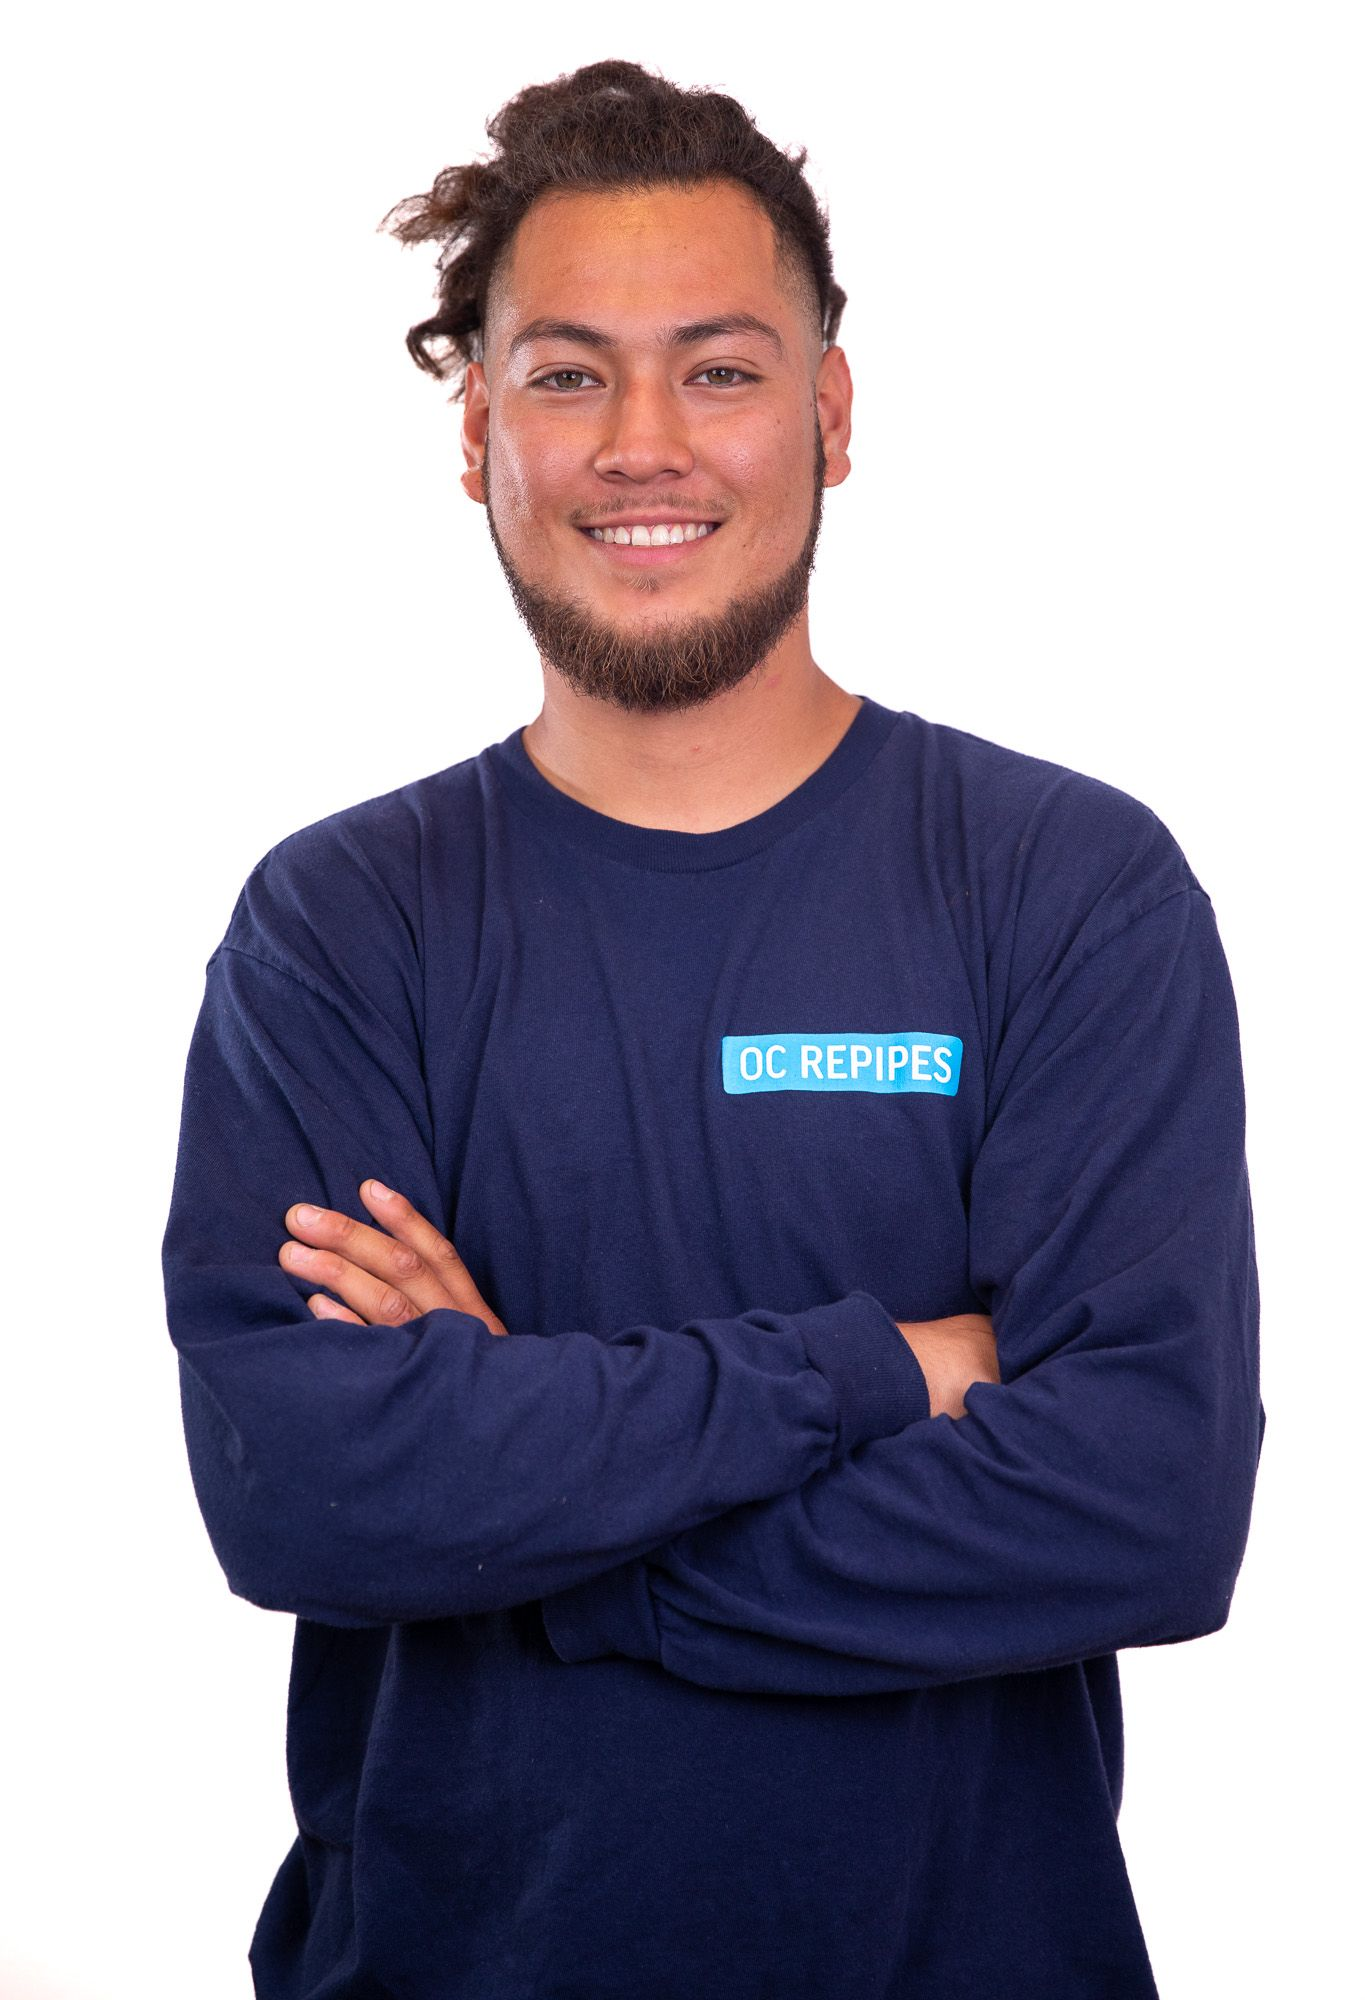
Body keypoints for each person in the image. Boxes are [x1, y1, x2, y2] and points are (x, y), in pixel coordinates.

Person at [161, 58, 1265, 2000]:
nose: (642, 442)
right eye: (568, 372)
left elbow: (1142, 1500)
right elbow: (308, 1487)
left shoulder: (1059, 887)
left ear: (829, 417)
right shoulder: (341, 928)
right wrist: (877, 1370)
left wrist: (544, 1503)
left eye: (722, 369)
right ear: (476, 426)